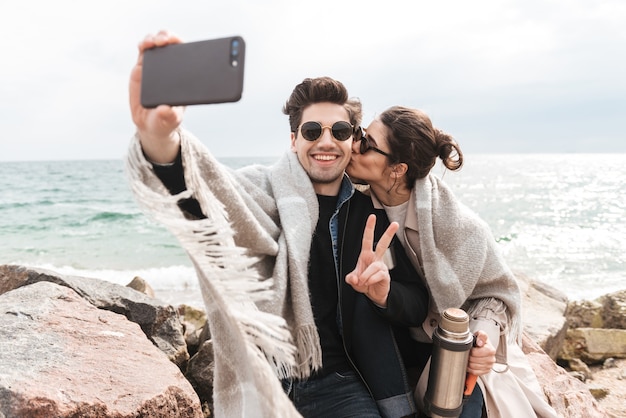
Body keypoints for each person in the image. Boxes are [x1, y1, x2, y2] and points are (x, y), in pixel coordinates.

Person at [126, 31, 429, 418]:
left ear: (354, 140)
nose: (326, 141)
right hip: (263, 381)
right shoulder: (258, 190)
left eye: (339, 131)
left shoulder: (367, 213)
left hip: (340, 384)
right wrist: (160, 136)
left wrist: (383, 294)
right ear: (293, 140)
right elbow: (202, 192)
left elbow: (417, 303)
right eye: (311, 131)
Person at [347, 106, 559, 418]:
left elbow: (496, 292)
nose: (354, 145)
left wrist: (484, 340)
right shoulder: (350, 204)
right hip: (395, 341)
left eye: (366, 143)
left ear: (397, 169)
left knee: (459, 402)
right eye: (360, 134)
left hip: (454, 345)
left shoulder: (459, 225)